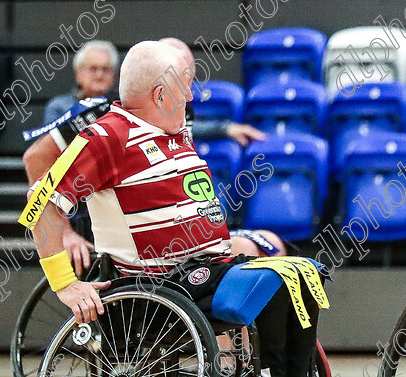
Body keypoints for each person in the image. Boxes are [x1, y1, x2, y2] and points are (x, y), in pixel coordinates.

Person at [21, 40, 326, 377]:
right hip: (164, 284)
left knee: (302, 272)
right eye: (186, 85)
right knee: (282, 276)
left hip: (207, 267)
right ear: (160, 94)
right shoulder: (106, 138)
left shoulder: (174, 132)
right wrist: (65, 283)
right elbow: (41, 203)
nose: (191, 95)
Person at [23, 39, 276, 275]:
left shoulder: (179, 111)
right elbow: (36, 161)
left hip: (174, 238)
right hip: (107, 224)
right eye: (181, 78)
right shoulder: (103, 117)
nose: (189, 91)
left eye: (190, 77)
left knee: (271, 249)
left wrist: (226, 129)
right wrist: (65, 233)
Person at [43, 41, 119, 125]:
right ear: (78, 74)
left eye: (105, 69)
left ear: (113, 74)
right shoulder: (59, 107)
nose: (99, 75)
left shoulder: (122, 106)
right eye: (93, 69)